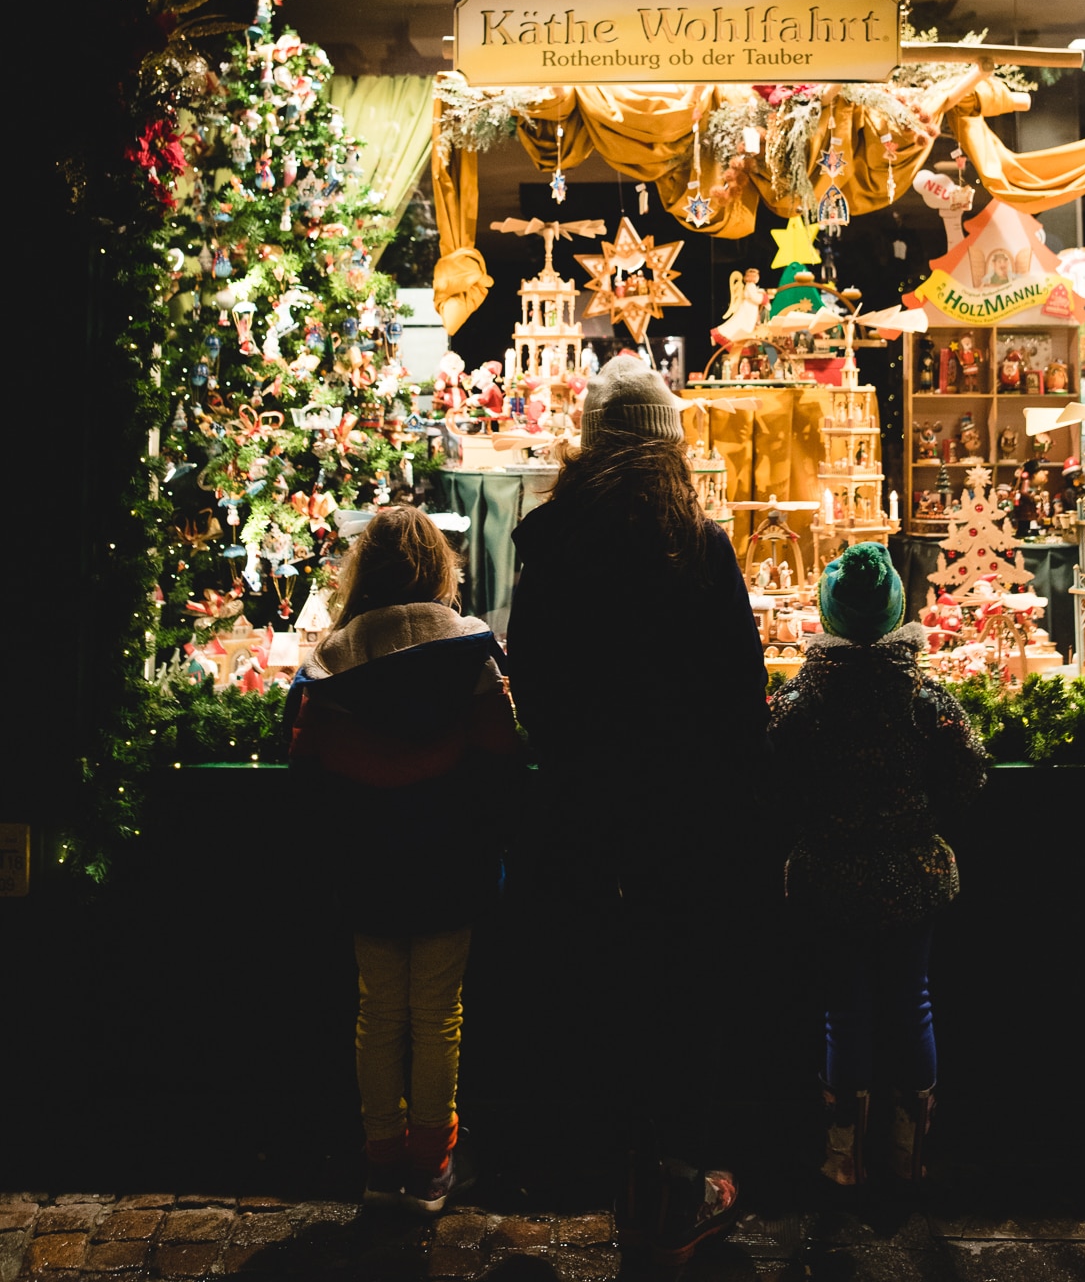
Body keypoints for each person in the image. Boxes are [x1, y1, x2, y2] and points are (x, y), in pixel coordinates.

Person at [507, 353, 769, 1267]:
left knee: (599, 999)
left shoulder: (546, 541)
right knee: (678, 1003)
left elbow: (526, 680)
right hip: (683, 823)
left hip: (582, 817)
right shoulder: (698, 546)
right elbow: (744, 694)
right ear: (667, 453)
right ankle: (672, 1193)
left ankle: (622, 1188)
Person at [285, 505, 521, 1212]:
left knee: (377, 1012)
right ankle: (432, 1164)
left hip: (365, 861)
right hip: (451, 855)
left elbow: (304, 764)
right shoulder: (470, 650)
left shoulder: (329, 661)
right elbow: (503, 754)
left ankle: (381, 1164)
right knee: (437, 1013)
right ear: (436, 569)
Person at [768, 543, 987, 1187]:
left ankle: (845, 1160)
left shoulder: (801, 701)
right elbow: (971, 773)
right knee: (911, 1001)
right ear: (896, 609)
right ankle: (908, 1152)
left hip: (830, 876)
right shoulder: (926, 697)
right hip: (912, 877)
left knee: (845, 1009)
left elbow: (771, 781)